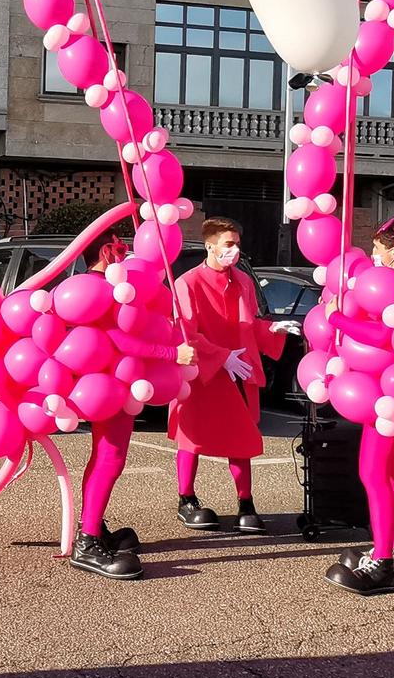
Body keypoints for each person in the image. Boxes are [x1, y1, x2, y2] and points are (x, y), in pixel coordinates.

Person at [168, 217, 282, 536]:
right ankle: (186, 498)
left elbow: (249, 324)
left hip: (239, 369)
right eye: (229, 244)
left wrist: (273, 329)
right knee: (192, 435)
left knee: (241, 437)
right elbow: (184, 332)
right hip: (203, 373)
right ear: (211, 246)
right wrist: (220, 357)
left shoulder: (243, 281)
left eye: (236, 244)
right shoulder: (187, 283)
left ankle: (246, 503)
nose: (234, 250)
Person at [328, 216, 394, 596]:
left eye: (377, 249)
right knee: (393, 476)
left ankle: (382, 563)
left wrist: (337, 319)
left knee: (374, 475)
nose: (371, 255)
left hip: (387, 394)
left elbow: (384, 334)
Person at [68, 228, 144, 581]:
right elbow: (119, 337)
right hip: (109, 384)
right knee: (109, 459)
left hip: (106, 383)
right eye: (121, 247)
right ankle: (87, 544)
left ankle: (92, 527)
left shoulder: (90, 285)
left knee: (102, 457)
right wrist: (171, 351)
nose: (125, 253)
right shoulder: (101, 289)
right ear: (106, 251)